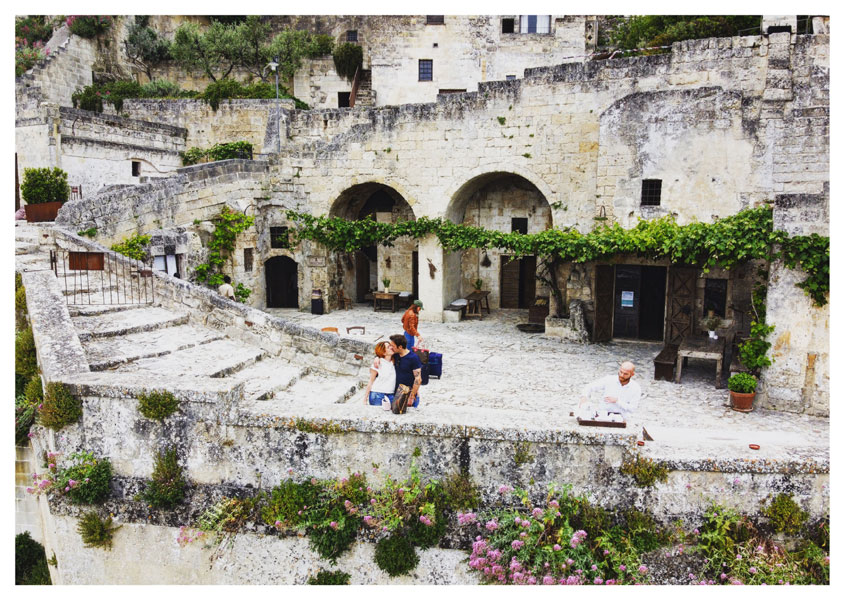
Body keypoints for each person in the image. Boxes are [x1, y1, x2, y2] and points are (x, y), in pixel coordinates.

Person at [389, 334, 422, 409]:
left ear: (400, 347)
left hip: (408, 395)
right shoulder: (395, 355)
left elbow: (418, 379)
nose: (391, 348)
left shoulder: (413, 358)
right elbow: (382, 353)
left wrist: (411, 396)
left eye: (393, 346)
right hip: (396, 394)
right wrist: (377, 358)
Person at [363, 341, 396, 410]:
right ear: (383, 352)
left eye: (390, 346)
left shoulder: (394, 362)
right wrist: (365, 399)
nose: (391, 347)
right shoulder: (378, 364)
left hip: (391, 395)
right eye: (388, 347)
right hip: (377, 394)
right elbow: (371, 381)